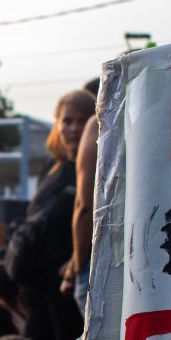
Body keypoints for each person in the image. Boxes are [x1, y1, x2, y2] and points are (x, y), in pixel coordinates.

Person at [13, 91, 93, 340]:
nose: (73, 129)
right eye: (66, 120)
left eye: (82, 121)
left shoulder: (95, 167)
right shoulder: (53, 166)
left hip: (66, 283)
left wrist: (76, 260)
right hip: (37, 281)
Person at [64, 113, 100, 319]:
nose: (74, 129)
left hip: (101, 256)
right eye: (68, 121)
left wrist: (77, 267)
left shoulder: (100, 123)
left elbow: (84, 204)